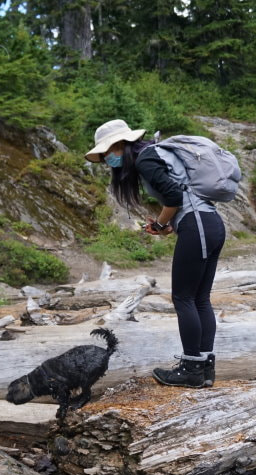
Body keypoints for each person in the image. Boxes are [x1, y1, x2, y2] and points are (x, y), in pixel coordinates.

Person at [85, 119, 226, 388]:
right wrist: (169, 225)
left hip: (198, 224)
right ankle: (204, 368)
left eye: (106, 154)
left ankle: (191, 368)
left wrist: (161, 224)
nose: (106, 161)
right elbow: (181, 196)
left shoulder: (145, 159)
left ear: (119, 146)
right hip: (208, 223)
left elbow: (174, 197)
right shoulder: (155, 153)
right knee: (199, 299)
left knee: (183, 298)